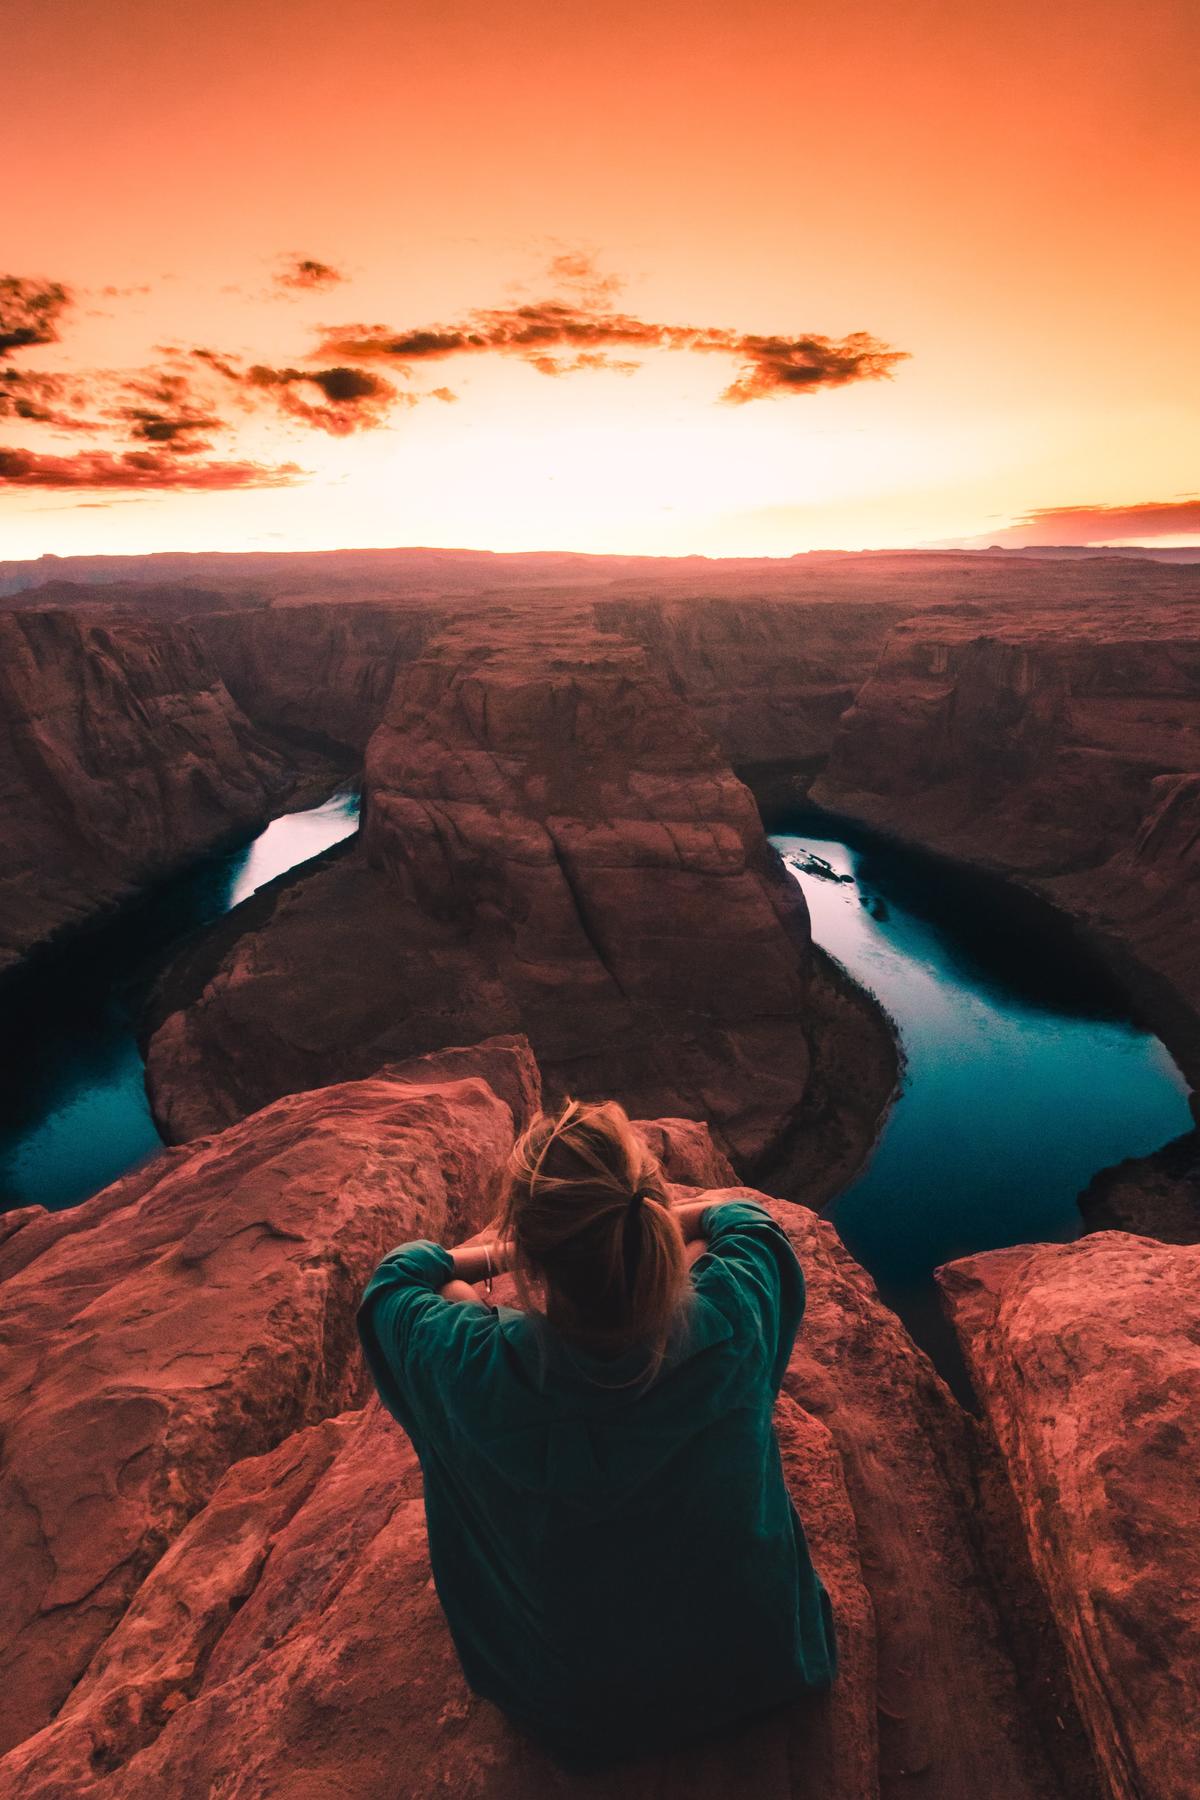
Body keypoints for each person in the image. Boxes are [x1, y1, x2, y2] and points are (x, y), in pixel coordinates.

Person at [356, 1095, 837, 1767]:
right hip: (760, 1663)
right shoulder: (737, 1308)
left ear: (536, 1257)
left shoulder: (471, 1367)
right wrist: (641, 1222)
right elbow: (742, 1220)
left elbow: (401, 1277)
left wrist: (498, 1262)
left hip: (580, 1710)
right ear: (646, 1220)